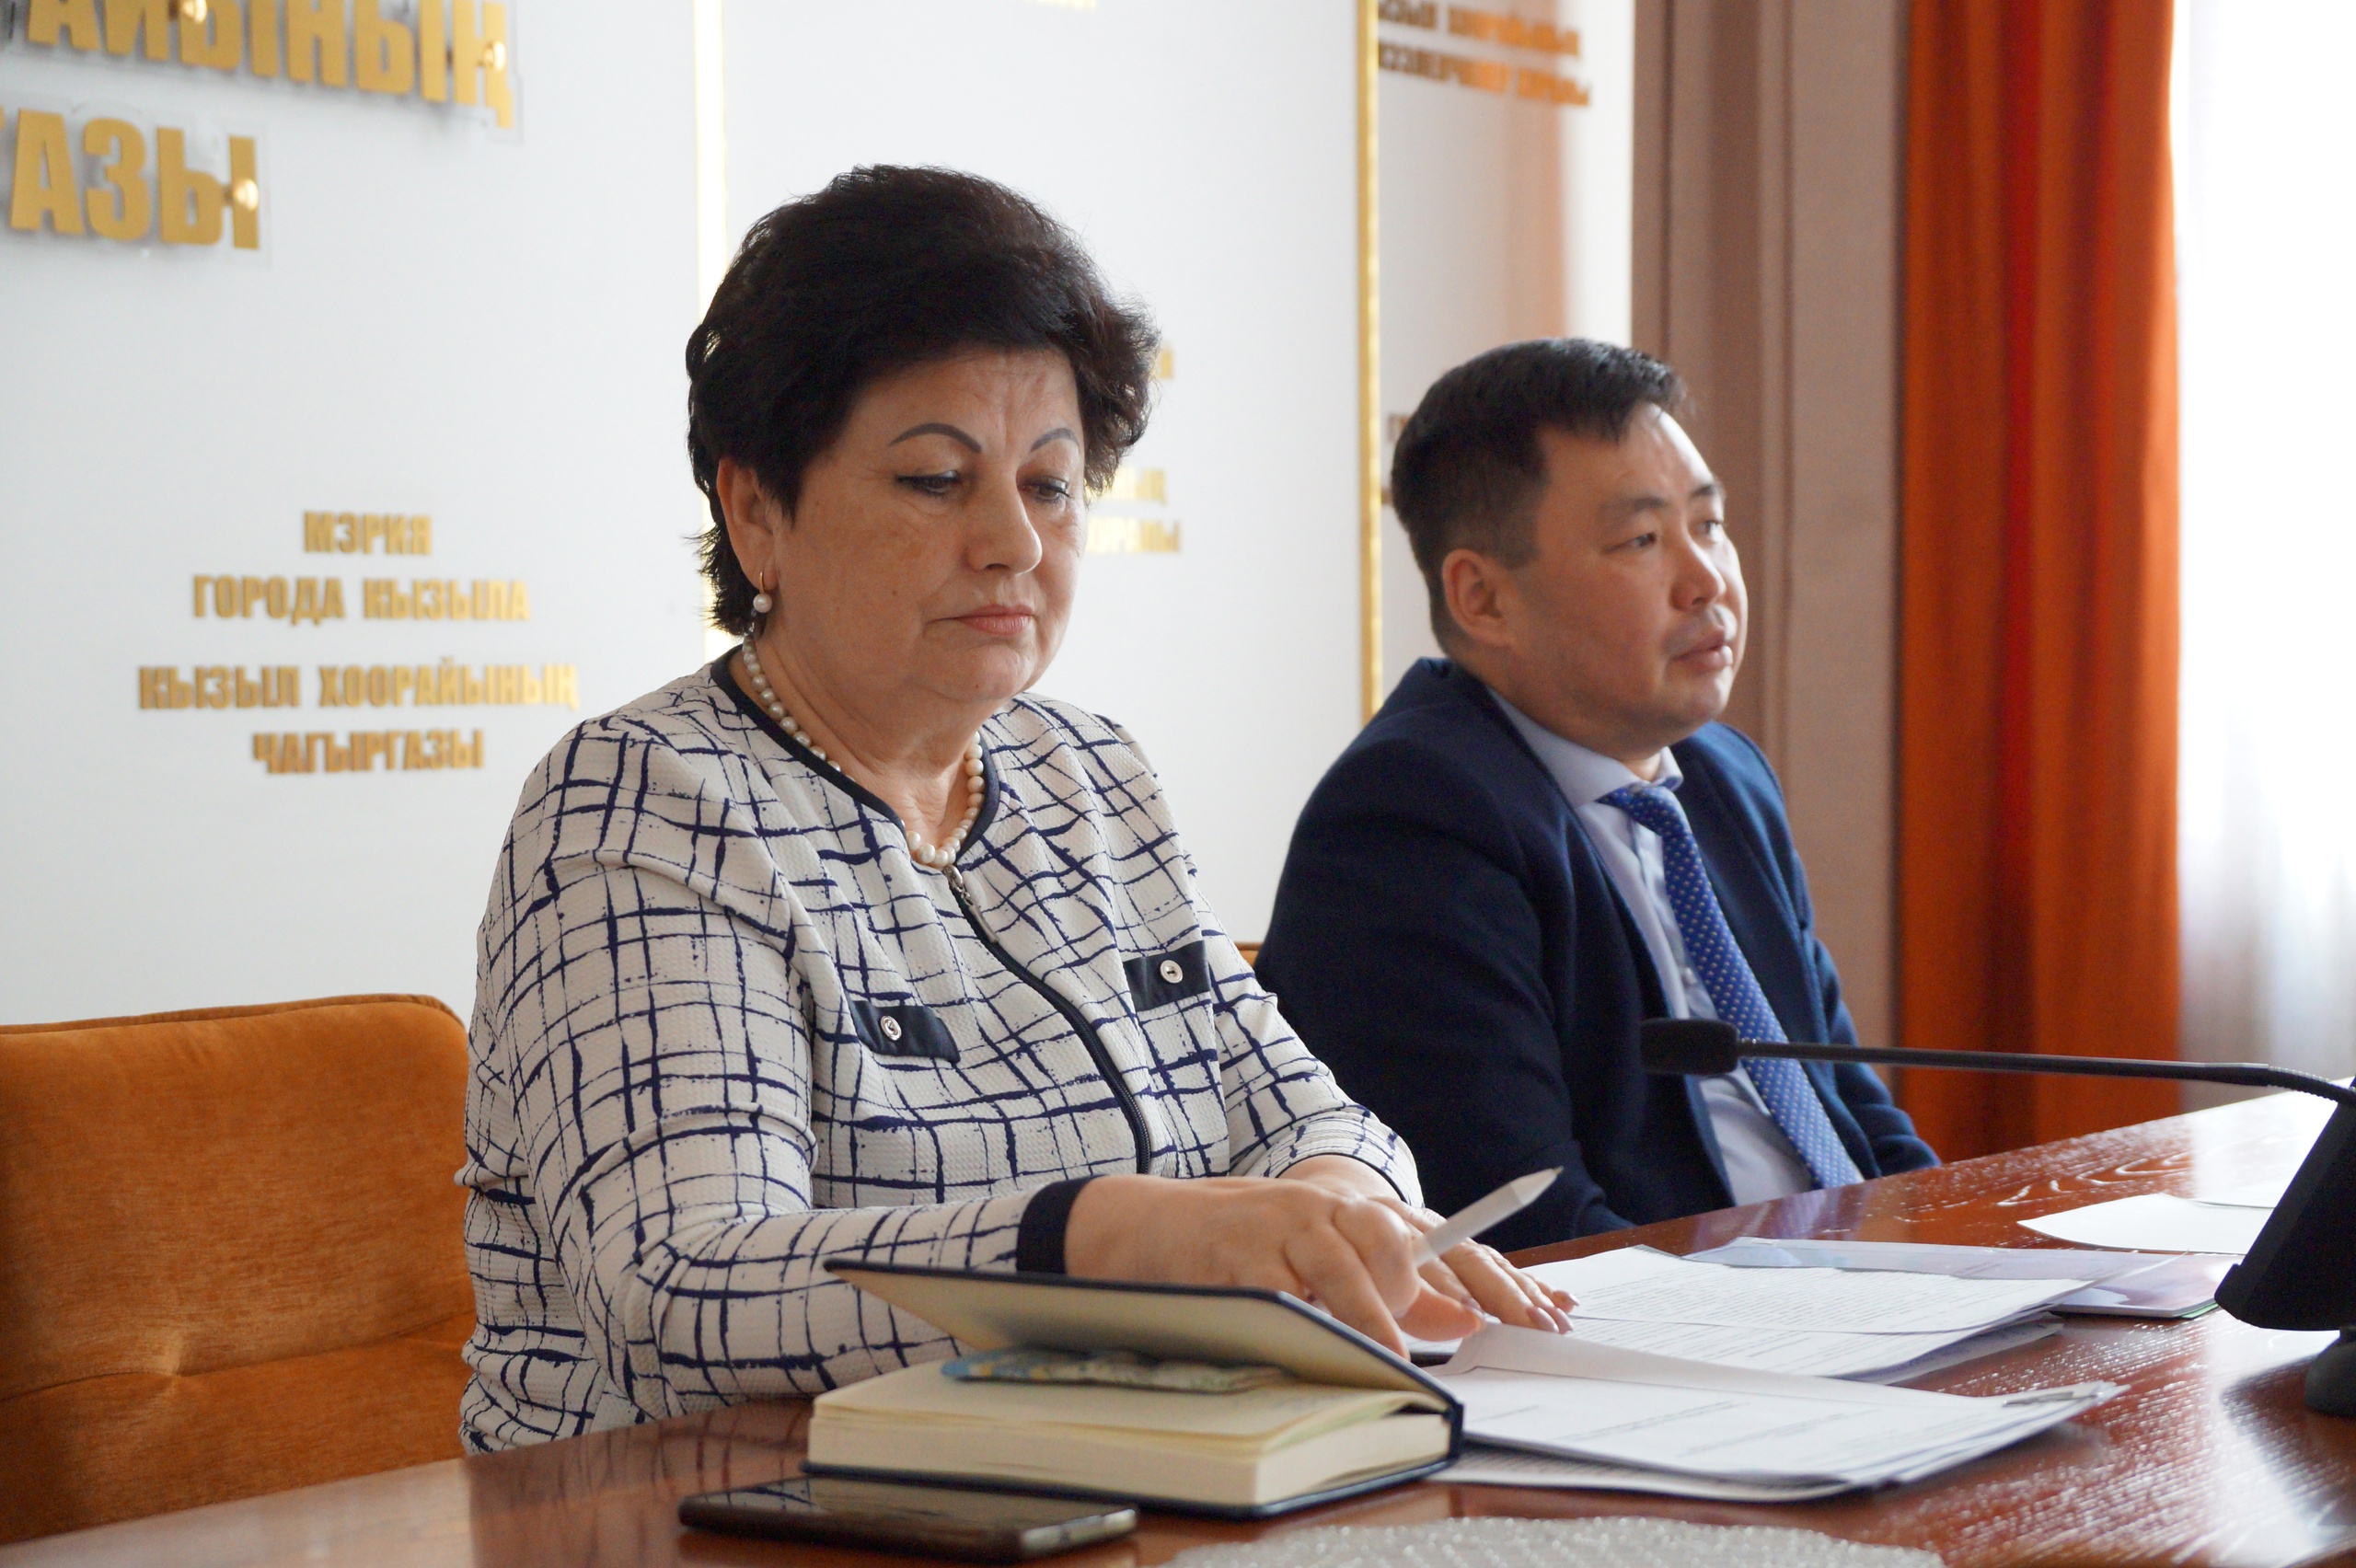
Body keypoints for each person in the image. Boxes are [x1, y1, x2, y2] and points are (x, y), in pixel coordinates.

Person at [456, 167, 1567, 1452]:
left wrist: (1335, 1203)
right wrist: (1110, 1239)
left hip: (1090, 1471)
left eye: (1048, 485)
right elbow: (684, 1291)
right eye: (937, 479)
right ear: (755, 508)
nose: (1015, 543)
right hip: (697, 1509)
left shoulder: (1088, 774)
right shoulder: (643, 803)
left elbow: (1304, 1109)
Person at [1255, 340, 1935, 1251]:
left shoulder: (1724, 777)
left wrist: (1963, 1252)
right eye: (1642, 541)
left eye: (1710, 524)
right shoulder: (1407, 821)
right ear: (1483, 599)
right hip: (1666, 1319)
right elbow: (1522, 1213)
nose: (1707, 580)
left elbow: (1845, 1104)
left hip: (1844, 1291)